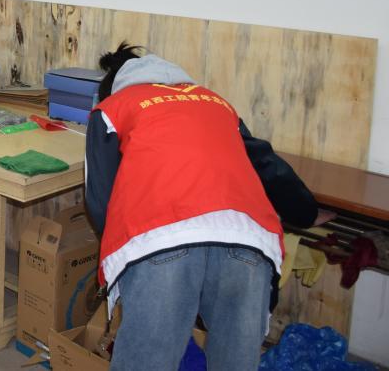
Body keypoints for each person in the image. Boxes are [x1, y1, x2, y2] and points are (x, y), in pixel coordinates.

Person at [85, 42, 316, 371]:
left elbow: (100, 200)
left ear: (112, 87)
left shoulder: (111, 109)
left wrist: (122, 265)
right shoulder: (216, 102)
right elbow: (267, 164)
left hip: (159, 236)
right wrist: (307, 212)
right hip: (247, 237)